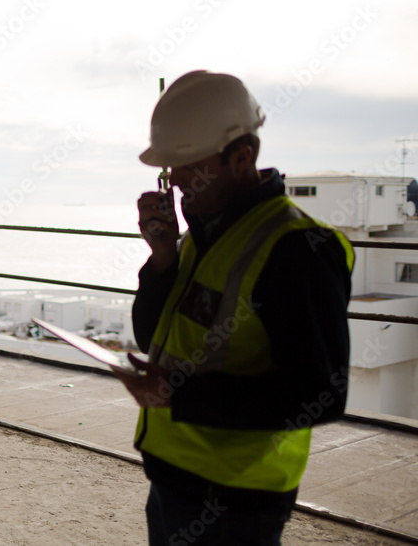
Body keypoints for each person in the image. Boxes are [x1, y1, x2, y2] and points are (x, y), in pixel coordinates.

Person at [113, 71, 354, 545]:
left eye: (186, 166)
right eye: (170, 168)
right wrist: (161, 258)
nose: (174, 181)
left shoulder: (297, 249)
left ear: (241, 157)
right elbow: (152, 338)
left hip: (234, 502)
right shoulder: (203, 234)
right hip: (174, 482)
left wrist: (177, 397)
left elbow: (318, 393)